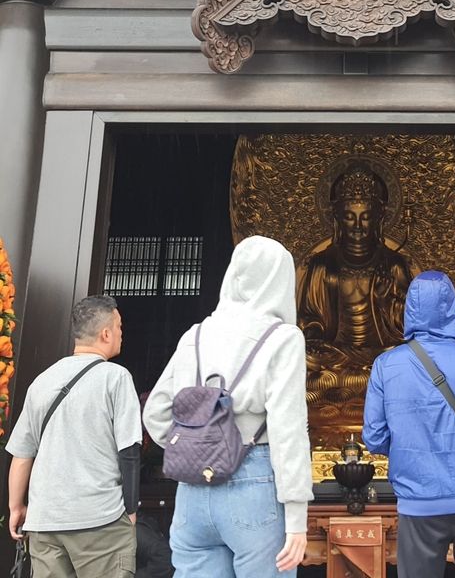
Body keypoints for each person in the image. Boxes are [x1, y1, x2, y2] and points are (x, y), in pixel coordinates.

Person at [143, 236, 312, 578]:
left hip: (192, 491)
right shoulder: (283, 338)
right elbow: (287, 431)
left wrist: (196, 447)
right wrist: (297, 517)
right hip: (253, 483)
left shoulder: (195, 334)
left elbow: (155, 412)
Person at [363, 269, 455, 578]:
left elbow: (374, 438)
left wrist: (409, 447)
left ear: (409, 310)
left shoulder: (385, 366)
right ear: (453, 308)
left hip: (418, 503)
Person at [6, 295, 141, 577]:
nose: (120, 333)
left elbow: (22, 455)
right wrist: (130, 510)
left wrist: (16, 506)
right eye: (119, 327)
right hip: (100, 520)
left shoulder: (42, 380)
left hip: (45, 522)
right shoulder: (115, 377)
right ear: (105, 333)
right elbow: (129, 451)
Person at [298, 161, 412, 410]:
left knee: (406, 362)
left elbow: (410, 328)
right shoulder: (322, 265)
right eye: (350, 217)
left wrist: (386, 302)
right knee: (306, 363)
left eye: (365, 218)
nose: (358, 226)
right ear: (337, 218)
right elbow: (310, 319)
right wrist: (314, 338)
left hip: (382, 354)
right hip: (335, 360)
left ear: (379, 218)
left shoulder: (393, 265)